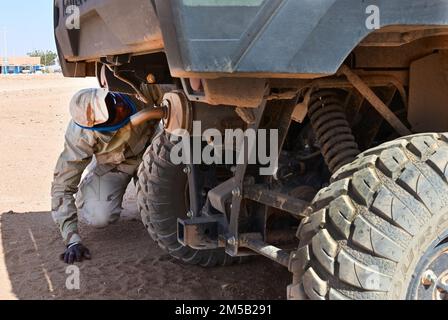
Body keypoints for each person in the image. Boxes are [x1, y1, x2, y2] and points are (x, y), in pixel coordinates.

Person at [51, 87, 160, 264]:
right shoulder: (80, 136)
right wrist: (72, 241)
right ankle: (89, 191)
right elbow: (62, 187)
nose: (120, 106)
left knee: (165, 206)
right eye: (112, 111)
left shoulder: (135, 89)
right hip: (115, 165)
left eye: (112, 99)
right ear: (101, 126)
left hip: (153, 154)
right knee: (98, 216)